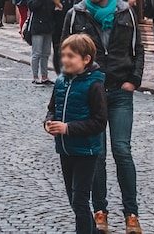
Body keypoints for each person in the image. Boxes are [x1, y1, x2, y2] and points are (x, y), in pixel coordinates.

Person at [62, 0, 145, 234]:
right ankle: (100, 212)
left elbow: (137, 49)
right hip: (91, 92)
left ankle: (131, 213)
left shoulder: (125, 12)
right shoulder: (76, 15)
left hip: (120, 91)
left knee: (122, 151)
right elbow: (65, 54)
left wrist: (134, 80)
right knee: (96, 155)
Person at [46, 34, 107, 234]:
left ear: (86, 59)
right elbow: (52, 109)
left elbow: (99, 121)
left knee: (80, 200)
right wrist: (48, 123)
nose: (65, 60)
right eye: (63, 55)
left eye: (71, 56)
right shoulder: (60, 82)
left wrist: (68, 128)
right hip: (65, 149)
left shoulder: (94, 85)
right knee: (74, 200)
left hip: (86, 151)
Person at [25, 0, 59, 84]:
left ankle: (45, 76)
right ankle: (35, 76)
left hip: (48, 24)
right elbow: (32, 6)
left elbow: (51, 6)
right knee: (37, 52)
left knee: (46, 53)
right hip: (37, 25)